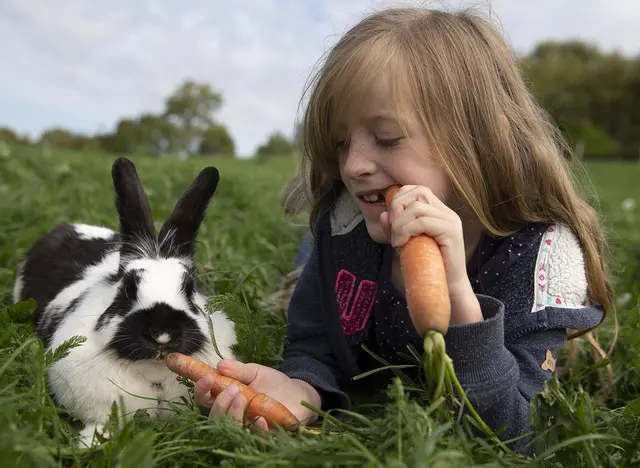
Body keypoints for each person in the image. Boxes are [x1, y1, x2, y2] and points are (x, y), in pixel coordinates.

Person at [194, 6, 616, 455]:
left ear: (479, 139)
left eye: (387, 138)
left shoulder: (539, 258)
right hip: (345, 245)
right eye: (341, 144)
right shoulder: (347, 222)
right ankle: (304, 262)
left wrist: (457, 295)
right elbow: (315, 342)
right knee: (313, 256)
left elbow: (511, 435)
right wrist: (303, 387)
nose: (353, 166)